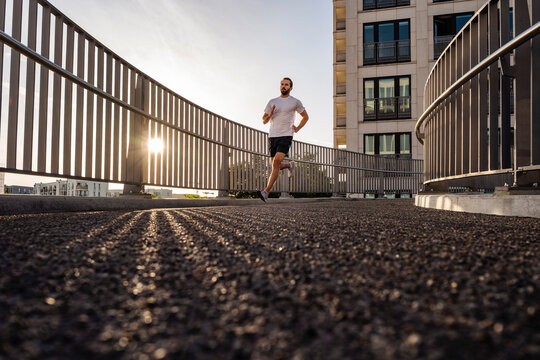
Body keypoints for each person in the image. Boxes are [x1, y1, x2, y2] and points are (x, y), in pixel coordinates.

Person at [258, 77, 309, 202]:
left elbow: (305, 117)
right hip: (273, 135)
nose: (283, 86)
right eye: (282, 84)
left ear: (291, 88)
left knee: (275, 163)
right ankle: (288, 165)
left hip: (286, 135)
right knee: (275, 165)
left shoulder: (295, 102)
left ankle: (266, 192)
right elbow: (264, 121)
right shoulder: (272, 102)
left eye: (286, 85)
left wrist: (297, 128)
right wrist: (270, 114)